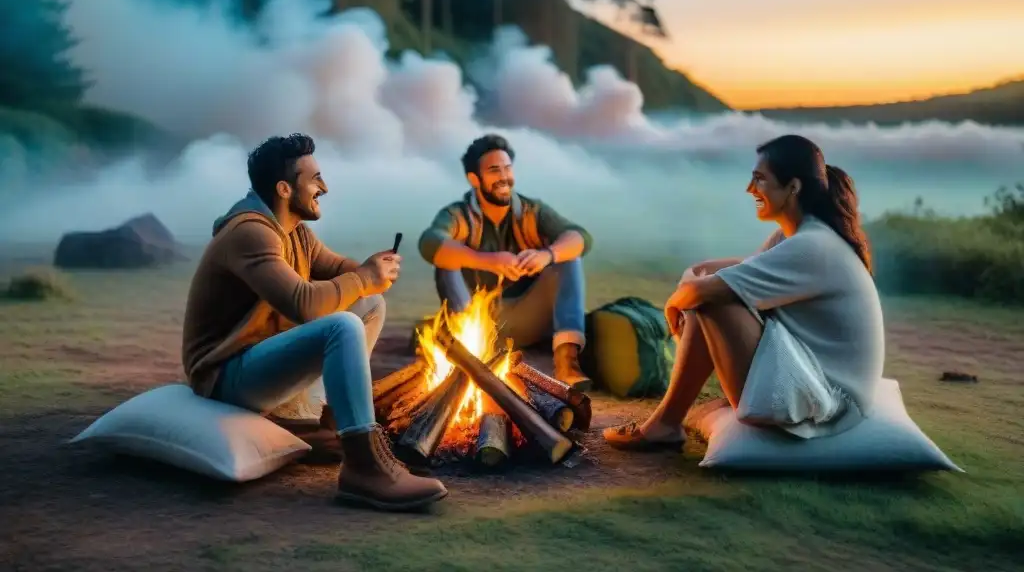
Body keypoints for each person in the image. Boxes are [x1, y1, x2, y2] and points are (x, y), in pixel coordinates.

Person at [180, 133, 448, 511]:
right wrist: (363, 277)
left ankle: (331, 430)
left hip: (260, 359)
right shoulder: (250, 233)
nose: (324, 187)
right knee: (342, 326)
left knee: (369, 304)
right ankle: (363, 467)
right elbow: (303, 304)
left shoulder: (295, 231)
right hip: (225, 374)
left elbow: (336, 269)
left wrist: (370, 270)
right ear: (285, 188)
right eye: (315, 178)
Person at [603, 134, 885, 449]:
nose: (750, 189)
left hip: (830, 403)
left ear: (793, 187)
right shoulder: (795, 239)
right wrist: (694, 285)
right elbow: (718, 272)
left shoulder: (812, 246)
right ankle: (666, 424)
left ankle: (665, 425)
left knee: (712, 297)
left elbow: (707, 288)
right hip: (813, 379)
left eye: (760, 180)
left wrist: (675, 304)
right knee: (712, 288)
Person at [417, 134, 595, 390]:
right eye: (493, 170)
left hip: (528, 315)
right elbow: (430, 242)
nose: (503, 177)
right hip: (478, 317)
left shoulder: (532, 211)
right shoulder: (459, 215)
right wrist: (485, 260)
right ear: (474, 179)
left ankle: (567, 362)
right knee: (446, 262)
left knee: (568, 259)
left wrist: (547, 255)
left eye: (507, 168)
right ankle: (471, 356)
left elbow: (580, 236)